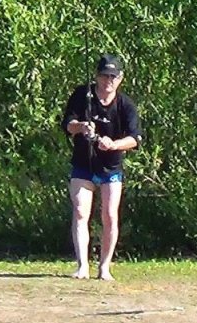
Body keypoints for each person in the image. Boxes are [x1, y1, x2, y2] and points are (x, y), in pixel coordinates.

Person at [60, 54, 142, 281]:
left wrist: (114, 145)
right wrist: (81, 127)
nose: (108, 81)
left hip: (111, 167)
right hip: (83, 164)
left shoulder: (125, 105)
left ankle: (105, 266)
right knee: (79, 211)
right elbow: (66, 124)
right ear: (96, 76)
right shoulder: (81, 95)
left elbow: (135, 138)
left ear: (120, 79)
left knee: (109, 216)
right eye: (104, 76)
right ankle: (82, 265)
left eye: (113, 77)